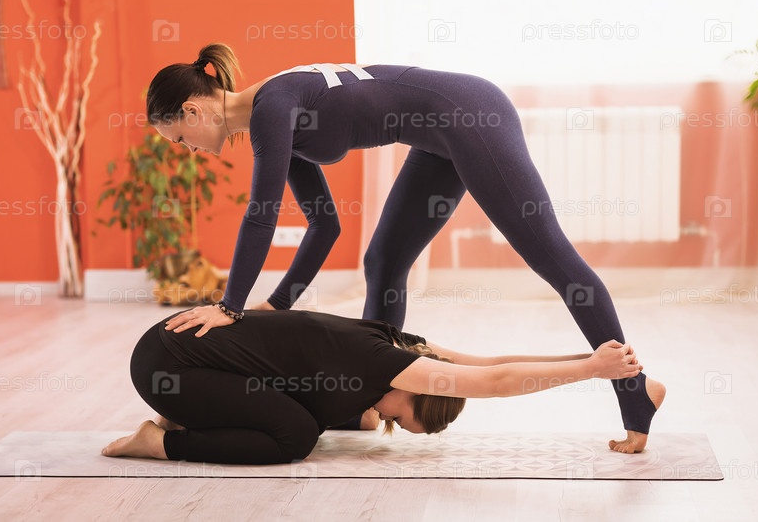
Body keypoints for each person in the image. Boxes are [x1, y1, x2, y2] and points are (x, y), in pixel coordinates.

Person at [143, 43, 666, 454]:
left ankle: (634, 389)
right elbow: (324, 226)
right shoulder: (277, 114)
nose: (187, 148)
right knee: (384, 262)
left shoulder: (272, 107)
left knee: (549, 255)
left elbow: (262, 214)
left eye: (179, 137)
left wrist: (231, 307)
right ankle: (367, 394)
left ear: (193, 110)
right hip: (439, 137)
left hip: (470, 114)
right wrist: (277, 304)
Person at [101, 309, 643, 465]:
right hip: (169, 364)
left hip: (186, 358)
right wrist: (592, 372)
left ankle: (189, 416)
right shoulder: (385, 363)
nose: (389, 422)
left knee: (331, 414)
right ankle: (162, 442)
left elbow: (493, 361)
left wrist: (589, 359)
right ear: (417, 388)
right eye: (400, 418)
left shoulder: (405, 347)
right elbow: (496, 381)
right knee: (296, 437)